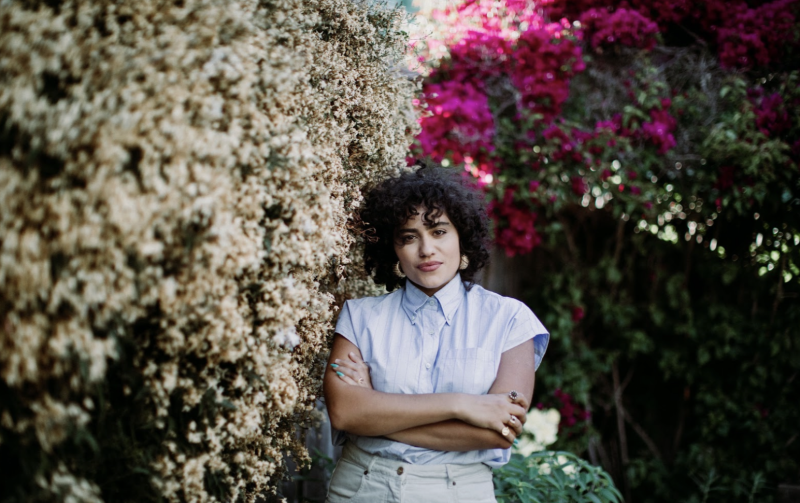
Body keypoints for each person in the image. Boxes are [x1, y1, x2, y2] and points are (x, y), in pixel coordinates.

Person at [323, 165, 549, 503]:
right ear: (394, 251)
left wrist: (374, 415)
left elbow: (499, 432)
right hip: (362, 489)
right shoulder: (361, 317)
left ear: (462, 237)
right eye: (409, 237)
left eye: (439, 231)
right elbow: (345, 413)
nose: (426, 249)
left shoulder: (509, 319)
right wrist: (462, 405)